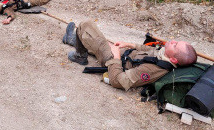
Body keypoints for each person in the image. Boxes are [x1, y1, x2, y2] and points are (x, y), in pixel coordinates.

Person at [63, 20, 198, 90]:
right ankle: (73, 40)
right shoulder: (165, 55)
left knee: (86, 26)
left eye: (175, 45)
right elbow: (149, 50)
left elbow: (119, 81)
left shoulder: (152, 70)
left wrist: (115, 56)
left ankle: (80, 55)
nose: (172, 41)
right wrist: (131, 45)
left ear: (173, 59)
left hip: (113, 60)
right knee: (95, 40)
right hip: (122, 54)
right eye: (177, 41)